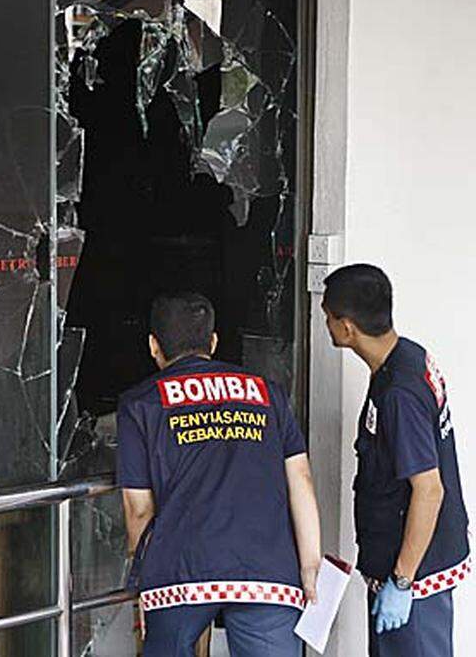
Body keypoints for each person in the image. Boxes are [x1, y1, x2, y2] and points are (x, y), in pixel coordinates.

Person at [117, 292, 321, 657]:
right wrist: (309, 566)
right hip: (266, 571)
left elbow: (139, 511)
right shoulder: (267, 393)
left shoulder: (141, 403)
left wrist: (145, 585)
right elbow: (301, 480)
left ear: (153, 346)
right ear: (213, 342)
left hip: (180, 571)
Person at [322, 264, 471, 657]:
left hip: (414, 576)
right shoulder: (407, 357)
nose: (326, 324)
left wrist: (402, 582)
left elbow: (429, 489)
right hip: (408, 563)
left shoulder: (398, 394)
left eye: (328, 317)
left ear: (348, 327)